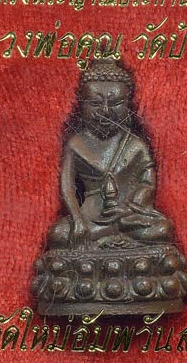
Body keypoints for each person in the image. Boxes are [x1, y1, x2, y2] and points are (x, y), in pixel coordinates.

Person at [48, 60, 173, 249]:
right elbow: (67, 186)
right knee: (58, 235)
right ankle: (112, 240)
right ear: (82, 105)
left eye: (115, 103)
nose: (105, 111)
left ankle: (107, 240)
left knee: (163, 230)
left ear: (128, 105)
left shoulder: (135, 145)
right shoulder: (76, 144)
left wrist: (129, 208)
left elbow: (147, 183)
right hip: (91, 217)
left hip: (127, 215)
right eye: (95, 103)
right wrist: (77, 219)